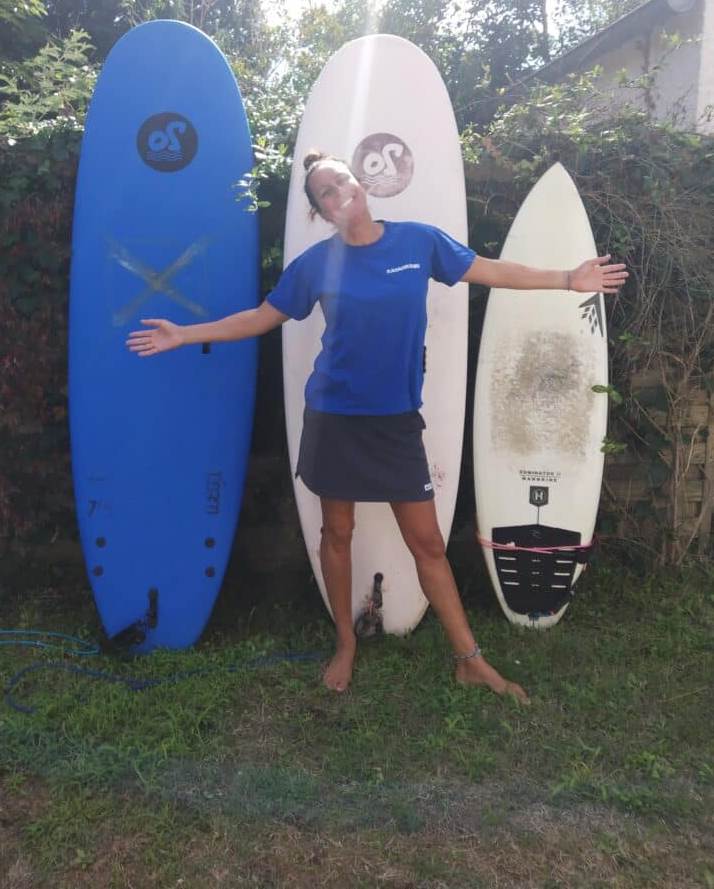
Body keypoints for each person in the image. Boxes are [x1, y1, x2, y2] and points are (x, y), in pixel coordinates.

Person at [127, 151, 628, 701]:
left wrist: (567, 278)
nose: (338, 193)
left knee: (429, 544)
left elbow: (489, 270)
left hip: (393, 424)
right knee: (336, 533)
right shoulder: (317, 263)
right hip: (335, 418)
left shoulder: (418, 242)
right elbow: (259, 318)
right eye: (324, 193)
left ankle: (469, 659)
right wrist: (186, 332)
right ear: (320, 210)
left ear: (358, 183)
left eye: (340, 181)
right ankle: (345, 642)